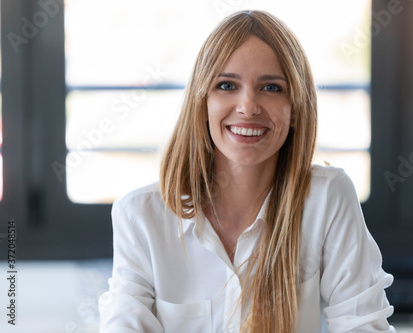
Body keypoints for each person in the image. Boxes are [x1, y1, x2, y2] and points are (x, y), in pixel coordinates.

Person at [99, 10, 396, 333]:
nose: (248, 107)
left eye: (271, 88)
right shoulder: (140, 216)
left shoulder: (326, 198)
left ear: (295, 108)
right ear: (202, 103)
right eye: (227, 85)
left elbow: (364, 326)